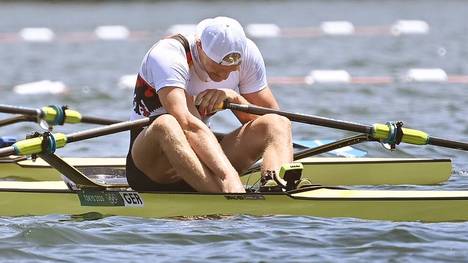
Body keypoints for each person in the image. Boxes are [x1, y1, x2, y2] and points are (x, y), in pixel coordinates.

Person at [126, 16, 293, 193]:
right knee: (166, 123)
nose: (225, 76)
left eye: (232, 69)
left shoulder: (247, 53)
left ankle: (276, 187)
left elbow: (269, 119)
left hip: (205, 158)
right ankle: (225, 197)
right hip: (155, 168)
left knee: (277, 123)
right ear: (199, 47)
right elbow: (187, 124)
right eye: (217, 69)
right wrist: (229, 176)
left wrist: (234, 98)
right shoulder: (168, 56)